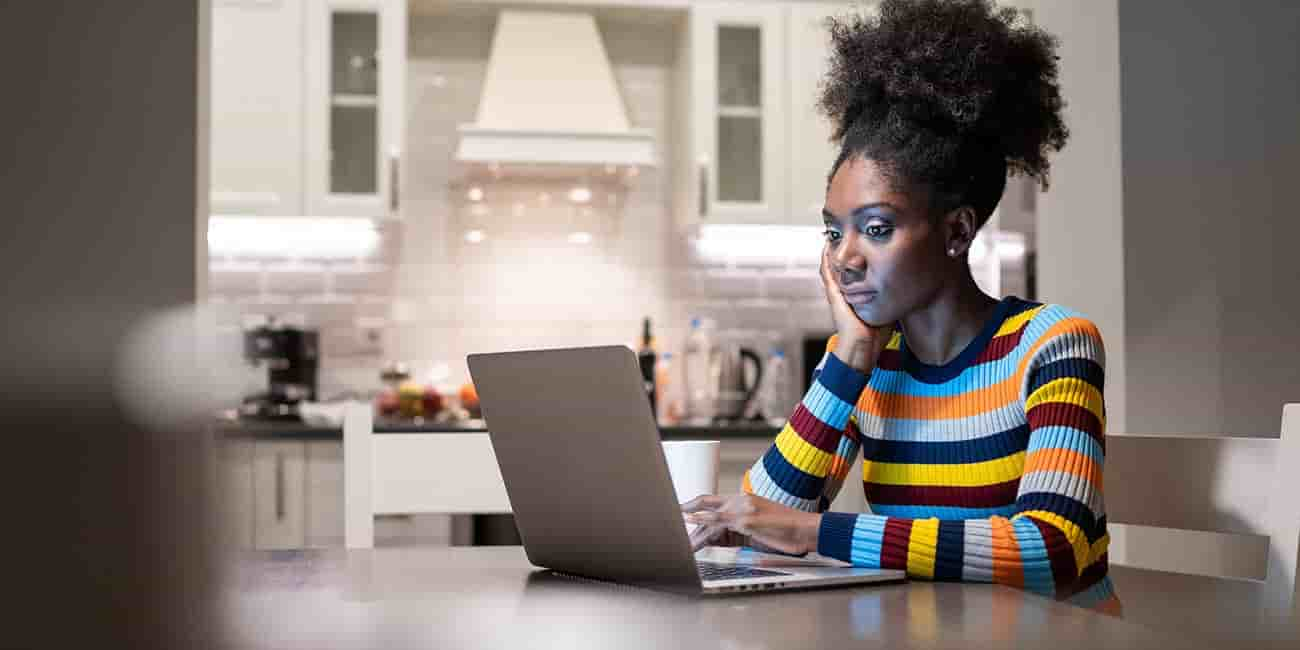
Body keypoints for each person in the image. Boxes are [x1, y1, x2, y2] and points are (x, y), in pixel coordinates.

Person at [682, 0, 1120, 615]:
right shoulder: (873, 366)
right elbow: (762, 519)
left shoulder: (1051, 345)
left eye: (878, 229)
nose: (845, 259)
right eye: (835, 232)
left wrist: (814, 534)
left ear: (957, 232)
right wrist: (851, 356)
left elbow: (1049, 551)